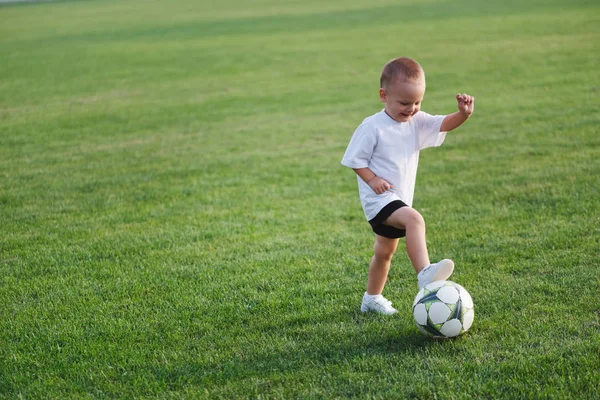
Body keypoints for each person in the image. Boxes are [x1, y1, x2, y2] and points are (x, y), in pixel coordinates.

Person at [341, 57, 475, 315]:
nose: (411, 108)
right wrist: (373, 179)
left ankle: (372, 298)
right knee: (415, 220)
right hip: (379, 199)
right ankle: (425, 275)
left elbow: (443, 123)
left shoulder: (416, 121)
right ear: (384, 95)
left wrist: (462, 114)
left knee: (384, 252)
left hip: (399, 198)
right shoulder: (372, 126)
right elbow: (354, 159)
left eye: (417, 102)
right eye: (404, 103)